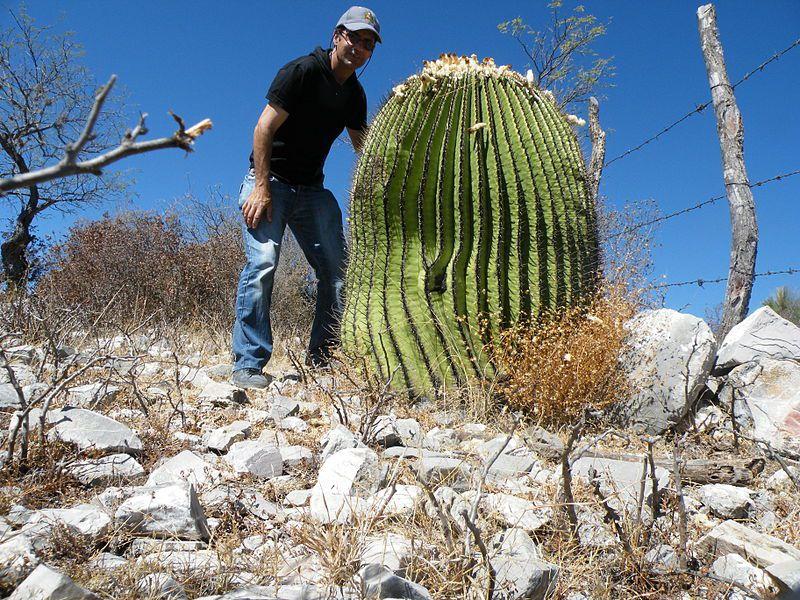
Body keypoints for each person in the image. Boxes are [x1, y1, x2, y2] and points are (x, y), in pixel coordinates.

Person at [231, 6, 381, 389]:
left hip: (311, 190)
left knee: (337, 273)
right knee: (263, 263)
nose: (359, 48)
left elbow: (363, 148)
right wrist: (262, 187)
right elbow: (263, 128)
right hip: (270, 181)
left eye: (368, 44)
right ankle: (248, 363)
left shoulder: (354, 95)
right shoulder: (301, 71)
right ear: (336, 36)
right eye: (354, 37)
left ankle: (322, 358)